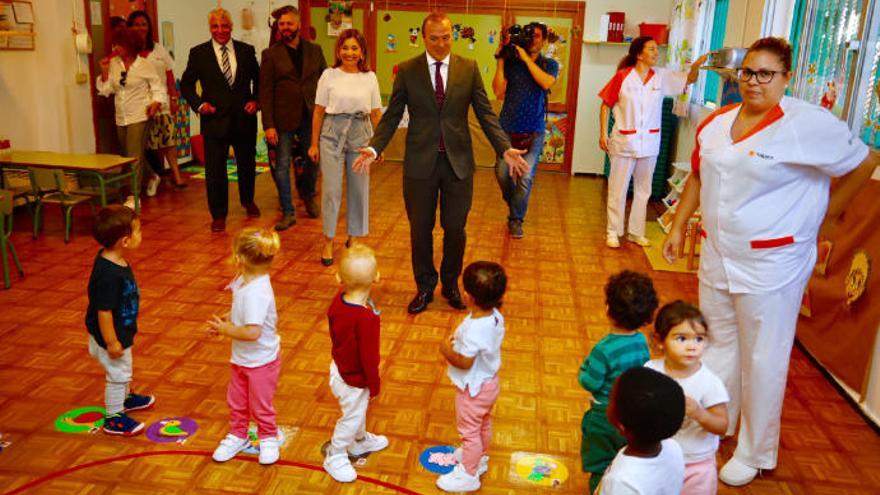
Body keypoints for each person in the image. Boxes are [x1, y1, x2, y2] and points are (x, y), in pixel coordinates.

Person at [662, 37, 879, 486]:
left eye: (766, 74)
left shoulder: (806, 124)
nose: (754, 81)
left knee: (764, 356)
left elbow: (863, 160)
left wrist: (828, 211)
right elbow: (701, 176)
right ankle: (716, 420)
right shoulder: (719, 122)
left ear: (786, 77)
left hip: (774, 259)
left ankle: (756, 450)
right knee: (716, 342)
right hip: (719, 253)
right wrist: (680, 225)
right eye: (747, 72)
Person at [352, 13, 528, 315]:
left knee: (455, 229)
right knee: (420, 229)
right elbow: (392, 114)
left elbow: (485, 113)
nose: (441, 43)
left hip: (459, 164)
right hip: (420, 165)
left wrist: (504, 147)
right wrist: (373, 145)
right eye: (434, 38)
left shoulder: (468, 68)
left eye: (446, 36)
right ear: (424, 37)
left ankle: (449, 284)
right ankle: (424, 287)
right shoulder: (408, 70)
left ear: (452, 35)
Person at [598, 37, 707, 249]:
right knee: (617, 190)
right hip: (623, 141)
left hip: (649, 142)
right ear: (639, 54)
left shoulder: (661, 77)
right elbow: (605, 104)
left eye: (657, 49)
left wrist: (695, 66)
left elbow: (689, 79)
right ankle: (613, 231)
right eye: (651, 49)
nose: (656, 52)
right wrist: (603, 134)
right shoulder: (623, 77)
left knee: (643, 190)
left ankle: (635, 233)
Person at [180, 8, 261, 233]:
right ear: (210, 28)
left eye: (225, 26)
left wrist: (256, 100)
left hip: (244, 119)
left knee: (247, 164)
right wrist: (199, 104)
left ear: (231, 27)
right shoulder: (198, 53)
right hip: (214, 120)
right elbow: (186, 84)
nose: (220, 30)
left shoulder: (246, 51)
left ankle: (248, 200)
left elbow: (259, 79)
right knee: (215, 171)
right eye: (215, 26)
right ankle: (218, 214)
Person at [208, 227, 283, 465]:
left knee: (261, 405)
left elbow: (253, 332)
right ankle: (238, 434)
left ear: (239, 258)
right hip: (241, 359)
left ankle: (269, 437)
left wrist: (226, 330)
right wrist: (228, 318)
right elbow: (242, 310)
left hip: (262, 362)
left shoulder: (257, 292)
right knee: (237, 401)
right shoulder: (244, 281)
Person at [579, 270, 657, 493]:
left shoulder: (603, 349)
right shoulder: (642, 341)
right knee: (623, 460)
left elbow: (590, 382)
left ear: (608, 309)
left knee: (600, 465)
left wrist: (583, 372)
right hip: (631, 414)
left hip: (603, 415)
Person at [308, 29, 382, 265]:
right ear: (338, 50)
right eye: (345, 48)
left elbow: (376, 113)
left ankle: (354, 237)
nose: (349, 53)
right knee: (331, 190)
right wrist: (313, 144)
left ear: (362, 52)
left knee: (359, 189)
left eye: (354, 48)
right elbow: (318, 112)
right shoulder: (328, 76)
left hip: (360, 135)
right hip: (331, 135)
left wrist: (378, 146)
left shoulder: (370, 77)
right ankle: (329, 239)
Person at [437, 261, 507, 492]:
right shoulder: (495, 316)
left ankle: (468, 474)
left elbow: (465, 363)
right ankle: (480, 458)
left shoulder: (477, 327)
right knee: (483, 423)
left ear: (468, 296)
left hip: (473, 389)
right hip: (489, 383)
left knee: (469, 432)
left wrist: (446, 349)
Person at [646, 301, 729, 495]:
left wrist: (700, 414)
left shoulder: (710, 384)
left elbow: (722, 425)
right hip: (659, 457)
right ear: (660, 340)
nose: (692, 347)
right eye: (681, 338)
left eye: (699, 339)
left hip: (696, 465)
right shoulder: (651, 370)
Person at [86, 205, 155, 436]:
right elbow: (103, 311)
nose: (141, 235)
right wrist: (112, 342)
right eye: (138, 231)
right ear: (125, 241)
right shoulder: (108, 274)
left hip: (120, 331)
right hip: (110, 336)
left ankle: (126, 398)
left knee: (124, 369)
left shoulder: (114, 260)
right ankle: (113, 416)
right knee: (118, 374)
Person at [323, 244, 388, 482]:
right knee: (351, 416)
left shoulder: (338, 301)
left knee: (356, 411)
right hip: (354, 379)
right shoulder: (366, 318)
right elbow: (369, 358)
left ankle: (359, 441)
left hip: (339, 369)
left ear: (339, 277)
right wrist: (375, 384)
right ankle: (336, 453)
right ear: (377, 277)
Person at [259, 5, 327, 231]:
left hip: (311, 115)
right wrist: (268, 125)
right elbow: (265, 92)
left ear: (298, 25)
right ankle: (288, 211)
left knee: (312, 160)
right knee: (281, 166)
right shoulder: (270, 54)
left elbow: (326, 82)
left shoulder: (315, 51)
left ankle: (307, 195)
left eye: (289, 23)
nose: (285, 27)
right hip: (282, 119)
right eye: (281, 24)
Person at [492, 22, 558, 239]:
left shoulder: (549, 64)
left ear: (544, 39)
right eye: (529, 36)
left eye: (537, 36)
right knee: (502, 173)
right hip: (506, 129)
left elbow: (546, 82)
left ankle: (516, 219)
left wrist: (527, 59)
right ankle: (515, 206)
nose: (532, 40)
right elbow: (498, 91)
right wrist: (502, 58)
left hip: (534, 131)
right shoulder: (511, 62)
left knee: (525, 177)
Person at [96, 28, 166, 202]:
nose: (117, 48)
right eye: (116, 44)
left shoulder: (144, 64)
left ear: (131, 46)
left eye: (121, 44)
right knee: (129, 155)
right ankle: (152, 176)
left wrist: (156, 103)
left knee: (134, 156)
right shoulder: (114, 64)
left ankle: (133, 196)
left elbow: (158, 87)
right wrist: (104, 71)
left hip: (140, 115)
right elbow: (106, 90)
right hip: (121, 116)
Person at [597, 367, 686, 495]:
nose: (608, 401)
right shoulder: (674, 448)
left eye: (611, 398)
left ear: (621, 426)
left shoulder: (621, 482)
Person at [127, 10, 187, 194]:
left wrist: (174, 97)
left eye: (144, 24)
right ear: (130, 27)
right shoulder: (127, 51)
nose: (140, 27)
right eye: (136, 24)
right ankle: (152, 175)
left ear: (149, 27)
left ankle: (176, 175)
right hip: (140, 107)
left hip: (162, 104)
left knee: (168, 140)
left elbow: (169, 74)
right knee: (143, 145)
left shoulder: (158, 49)